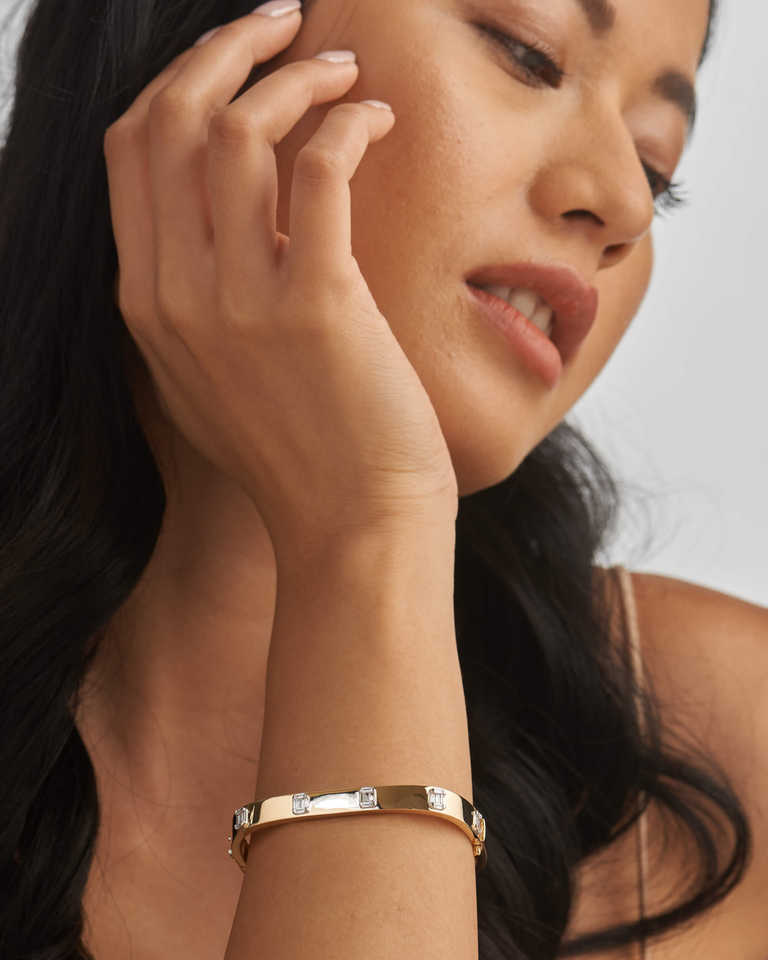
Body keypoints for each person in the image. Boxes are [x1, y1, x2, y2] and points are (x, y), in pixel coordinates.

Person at [0, 0, 765, 958]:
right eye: (528, 52)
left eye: (657, 165)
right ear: (216, 43)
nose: (624, 203)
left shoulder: (727, 743)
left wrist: (373, 530)